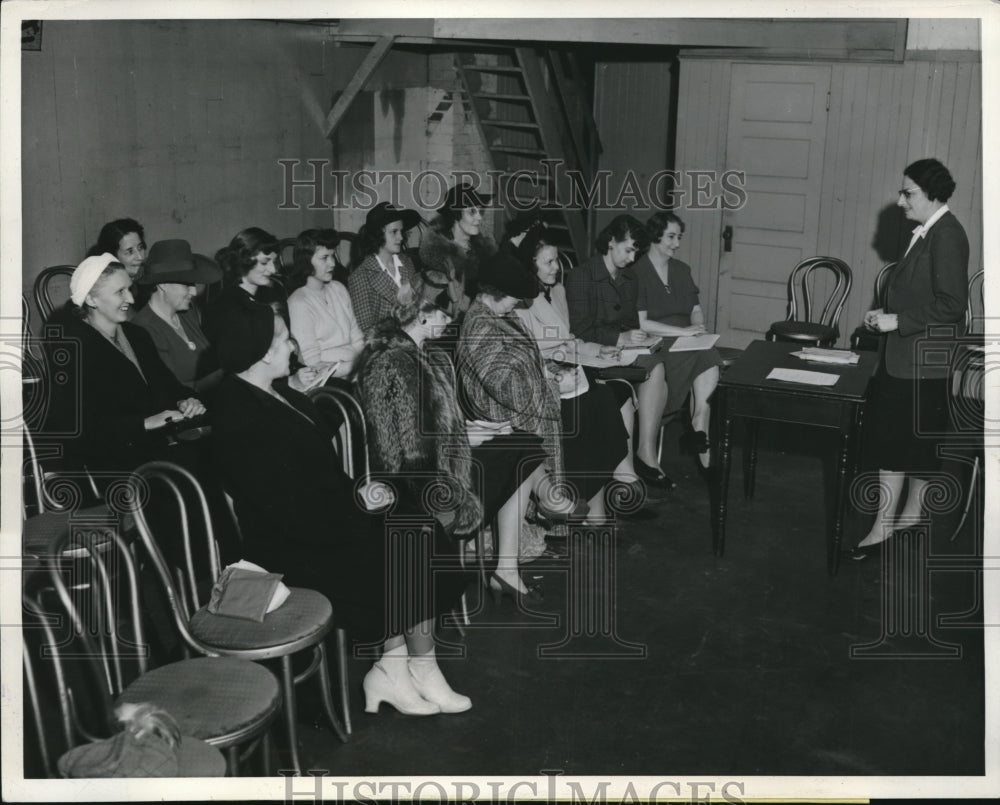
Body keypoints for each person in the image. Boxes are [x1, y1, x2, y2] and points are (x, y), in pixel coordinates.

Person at [211, 302, 473, 715]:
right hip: (291, 546)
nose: (293, 346)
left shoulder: (277, 392)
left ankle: (415, 665)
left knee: (414, 523)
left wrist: (361, 494)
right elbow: (283, 507)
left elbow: (321, 477)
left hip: (322, 520)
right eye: (284, 338)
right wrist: (355, 510)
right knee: (402, 542)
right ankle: (396, 667)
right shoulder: (237, 412)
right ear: (260, 350)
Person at [355, 282, 549, 604]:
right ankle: (510, 563)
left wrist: (469, 428)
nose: (449, 321)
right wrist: (464, 439)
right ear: (422, 318)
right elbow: (410, 449)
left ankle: (507, 567)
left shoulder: (415, 353)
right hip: (423, 480)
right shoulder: (394, 363)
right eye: (443, 316)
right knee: (521, 451)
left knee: (521, 441)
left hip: (439, 461)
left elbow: (430, 423)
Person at [853, 158, 969, 557]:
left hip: (921, 361)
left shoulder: (948, 235)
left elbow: (953, 304)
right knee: (917, 447)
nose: (900, 200)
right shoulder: (926, 232)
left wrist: (897, 320)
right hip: (912, 358)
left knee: (895, 447)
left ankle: (883, 527)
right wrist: (883, 316)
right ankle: (908, 516)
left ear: (932, 193)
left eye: (909, 193)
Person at [458, 252, 591, 598]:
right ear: (496, 293)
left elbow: (521, 365)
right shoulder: (480, 325)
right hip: (496, 413)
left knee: (528, 440)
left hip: (512, 412)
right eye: (515, 298)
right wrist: (547, 384)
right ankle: (548, 494)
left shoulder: (500, 316)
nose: (519, 304)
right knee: (526, 442)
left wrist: (546, 373)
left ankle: (546, 499)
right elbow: (502, 383)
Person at [513, 227, 646, 514]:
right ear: (530, 266)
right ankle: (594, 498)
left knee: (603, 398)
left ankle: (601, 498)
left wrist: (599, 351)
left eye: (556, 260)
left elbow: (569, 341)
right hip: (547, 381)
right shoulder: (521, 304)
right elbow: (532, 353)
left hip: (572, 374)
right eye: (547, 262)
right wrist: (559, 369)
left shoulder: (556, 293)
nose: (556, 268)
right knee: (595, 404)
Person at [47, 253, 205, 494]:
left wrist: (185, 400)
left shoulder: (136, 335)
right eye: (119, 292)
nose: (130, 299)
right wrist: (142, 424)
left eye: (129, 289)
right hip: (109, 462)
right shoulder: (73, 350)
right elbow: (75, 428)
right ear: (91, 299)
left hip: (153, 447)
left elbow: (168, 385)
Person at [564, 214, 675, 489]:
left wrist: (636, 336)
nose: (631, 257)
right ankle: (635, 464)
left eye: (636, 251)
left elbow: (629, 322)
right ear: (611, 241)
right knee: (651, 373)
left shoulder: (630, 278)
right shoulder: (582, 276)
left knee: (656, 364)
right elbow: (579, 331)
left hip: (620, 352)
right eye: (628, 249)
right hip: (592, 355)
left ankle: (645, 452)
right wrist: (619, 337)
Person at [632, 212, 723, 468]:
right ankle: (697, 424)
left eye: (678, 237)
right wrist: (684, 332)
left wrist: (698, 324)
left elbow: (695, 307)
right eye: (671, 237)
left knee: (709, 354)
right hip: (658, 340)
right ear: (655, 236)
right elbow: (642, 322)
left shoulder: (682, 270)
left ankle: (699, 420)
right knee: (700, 355)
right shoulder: (638, 272)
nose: (677, 244)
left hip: (687, 336)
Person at [205, 227, 323, 391]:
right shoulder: (226, 306)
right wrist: (290, 382)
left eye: (273, 262)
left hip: (283, 375)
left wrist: (301, 371)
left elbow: (286, 345)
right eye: (264, 262)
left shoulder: (273, 293)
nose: (273, 270)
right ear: (243, 260)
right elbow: (238, 371)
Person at [131, 239, 223, 396]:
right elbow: (171, 390)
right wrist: (228, 369)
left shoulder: (188, 313)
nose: (193, 292)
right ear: (163, 284)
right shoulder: (143, 329)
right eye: (187, 285)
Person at [286, 228, 363, 377]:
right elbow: (312, 364)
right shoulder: (299, 303)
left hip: (354, 371)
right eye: (324, 258)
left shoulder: (339, 288)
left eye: (333, 256)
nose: (332, 263)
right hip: (329, 382)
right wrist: (358, 367)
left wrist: (366, 363)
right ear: (306, 261)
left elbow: (358, 340)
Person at [419, 182, 497, 319]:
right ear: (455, 214)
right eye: (472, 211)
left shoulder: (483, 253)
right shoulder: (440, 259)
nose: (479, 217)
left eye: (480, 211)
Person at [349, 203, 422, 334]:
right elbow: (366, 331)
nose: (400, 237)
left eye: (401, 231)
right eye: (394, 232)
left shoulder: (407, 263)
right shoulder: (360, 276)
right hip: (386, 348)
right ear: (378, 235)